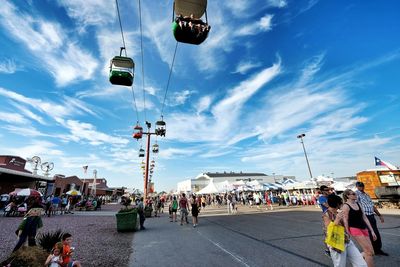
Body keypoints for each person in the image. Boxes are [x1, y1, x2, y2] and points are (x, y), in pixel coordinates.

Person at [323, 194, 367, 267]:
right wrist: (336, 220)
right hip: (336, 243)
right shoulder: (326, 214)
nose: (342, 205)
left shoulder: (338, 211)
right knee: (340, 265)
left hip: (346, 240)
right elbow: (328, 231)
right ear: (337, 204)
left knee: (361, 263)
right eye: (341, 203)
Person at [342, 189, 376, 267]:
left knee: (372, 252)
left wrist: (372, 231)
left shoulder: (358, 204)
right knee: (368, 252)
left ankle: (357, 258)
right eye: (353, 194)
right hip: (354, 229)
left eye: (355, 194)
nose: (355, 195)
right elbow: (345, 220)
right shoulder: (346, 206)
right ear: (348, 196)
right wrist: (347, 232)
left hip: (364, 228)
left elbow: (364, 217)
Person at [355, 181, 389, 256]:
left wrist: (379, 215)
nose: (361, 187)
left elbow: (372, 206)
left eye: (362, 186)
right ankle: (371, 250)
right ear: (356, 186)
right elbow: (355, 205)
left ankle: (378, 249)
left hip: (371, 216)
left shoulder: (366, 195)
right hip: (365, 216)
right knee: (370, 233)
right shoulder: (356, 194)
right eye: (359, 186)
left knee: (375, 232)